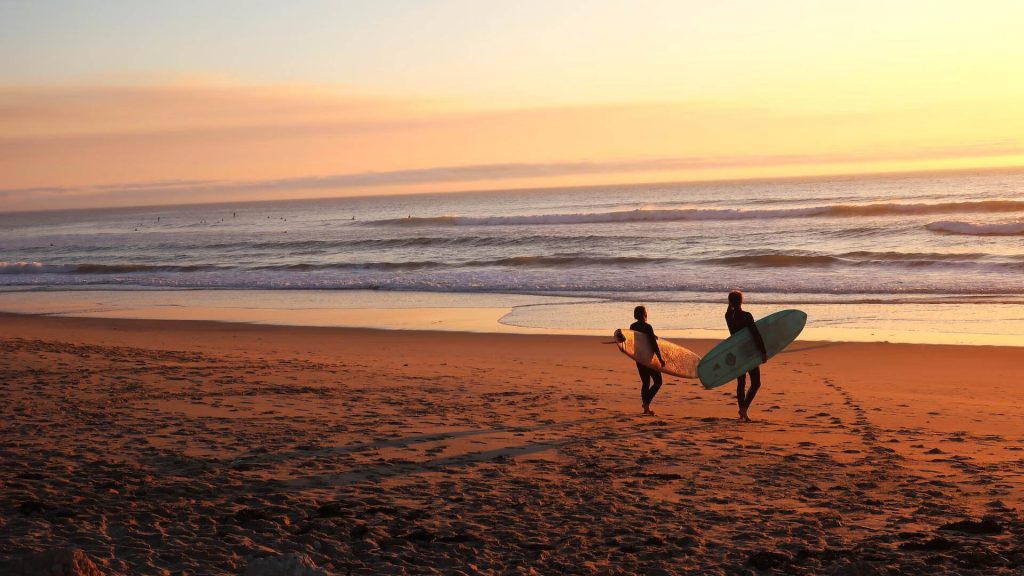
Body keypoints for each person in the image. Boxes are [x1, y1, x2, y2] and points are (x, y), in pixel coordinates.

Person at [726, 290, 768, 422]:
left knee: (741, 382)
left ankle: (741, 411)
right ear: (741, 301)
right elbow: (755, 334)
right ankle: (744, 408)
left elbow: (730, 310)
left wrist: (730, 304)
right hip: (749, 352)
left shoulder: (728, 316)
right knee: (756, 383)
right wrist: (763, 351)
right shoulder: (747, 316)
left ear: (730, 302)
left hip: (737, 352)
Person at [630, 305, 664, 416]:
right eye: (646, 312)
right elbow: (653, 345)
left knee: (645, 382)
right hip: (648, 359)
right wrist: (660, 358)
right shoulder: (648, 327)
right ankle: (646, 403)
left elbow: (637, 340)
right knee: (658, 381)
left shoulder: (632, 326)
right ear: (644, 314)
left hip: (639, 358)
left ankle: (646, 408)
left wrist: (652, 335)